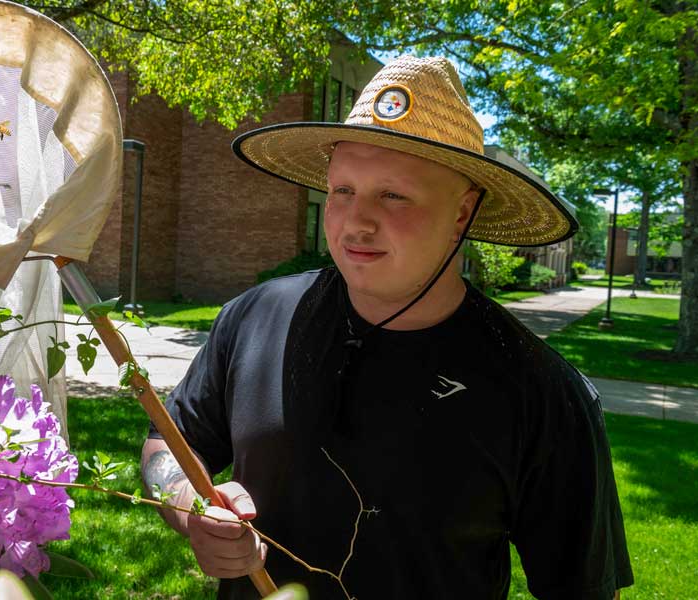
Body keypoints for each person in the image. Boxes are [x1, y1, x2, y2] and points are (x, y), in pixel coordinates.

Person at [141, 55, 633, 600]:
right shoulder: (253, 317)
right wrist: (191, 506)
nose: (357, 220)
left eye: (393, 195)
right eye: (343, 191)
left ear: (463, 213)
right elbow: (169, 439)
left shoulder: (541, 392)